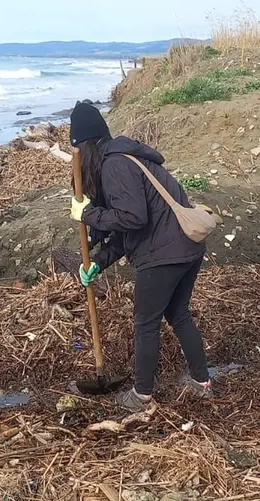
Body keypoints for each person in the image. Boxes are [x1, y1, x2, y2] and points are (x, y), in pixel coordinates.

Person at [68, 101, 211, 411]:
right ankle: (203, 382)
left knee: (145, 322)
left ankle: (141, 394)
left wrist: (89, 213)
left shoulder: (114, 165)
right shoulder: (126, 158)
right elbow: (126, 232)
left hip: (164, 255)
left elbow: (133, 218)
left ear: (83, 147)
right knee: (178, 314)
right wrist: (97, 263)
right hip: (187, 248)